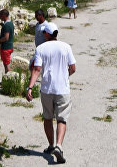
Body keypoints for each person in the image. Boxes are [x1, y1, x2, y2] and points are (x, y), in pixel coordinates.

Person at [26, 22, 76, 164]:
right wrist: (64, 76)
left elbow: (36, 69)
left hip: (47, 89)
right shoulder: (66, 47)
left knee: (48, 118)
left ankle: (51, 145)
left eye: (43, 33)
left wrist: (29, 87)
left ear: (47, 34)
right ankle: (59, 146)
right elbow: (72, 68)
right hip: (62, 89)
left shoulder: (41, 48)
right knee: (62, 119)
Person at [0, 9, 14, 74]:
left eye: (1, 15)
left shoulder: (6, 25)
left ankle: (8, 79)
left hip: (6, 47)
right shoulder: (10, 23)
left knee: (6, 65)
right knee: (5, 63)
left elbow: (6, 37)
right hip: (9, 46)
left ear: (4, 15)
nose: (0, 17)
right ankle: (5, 79)